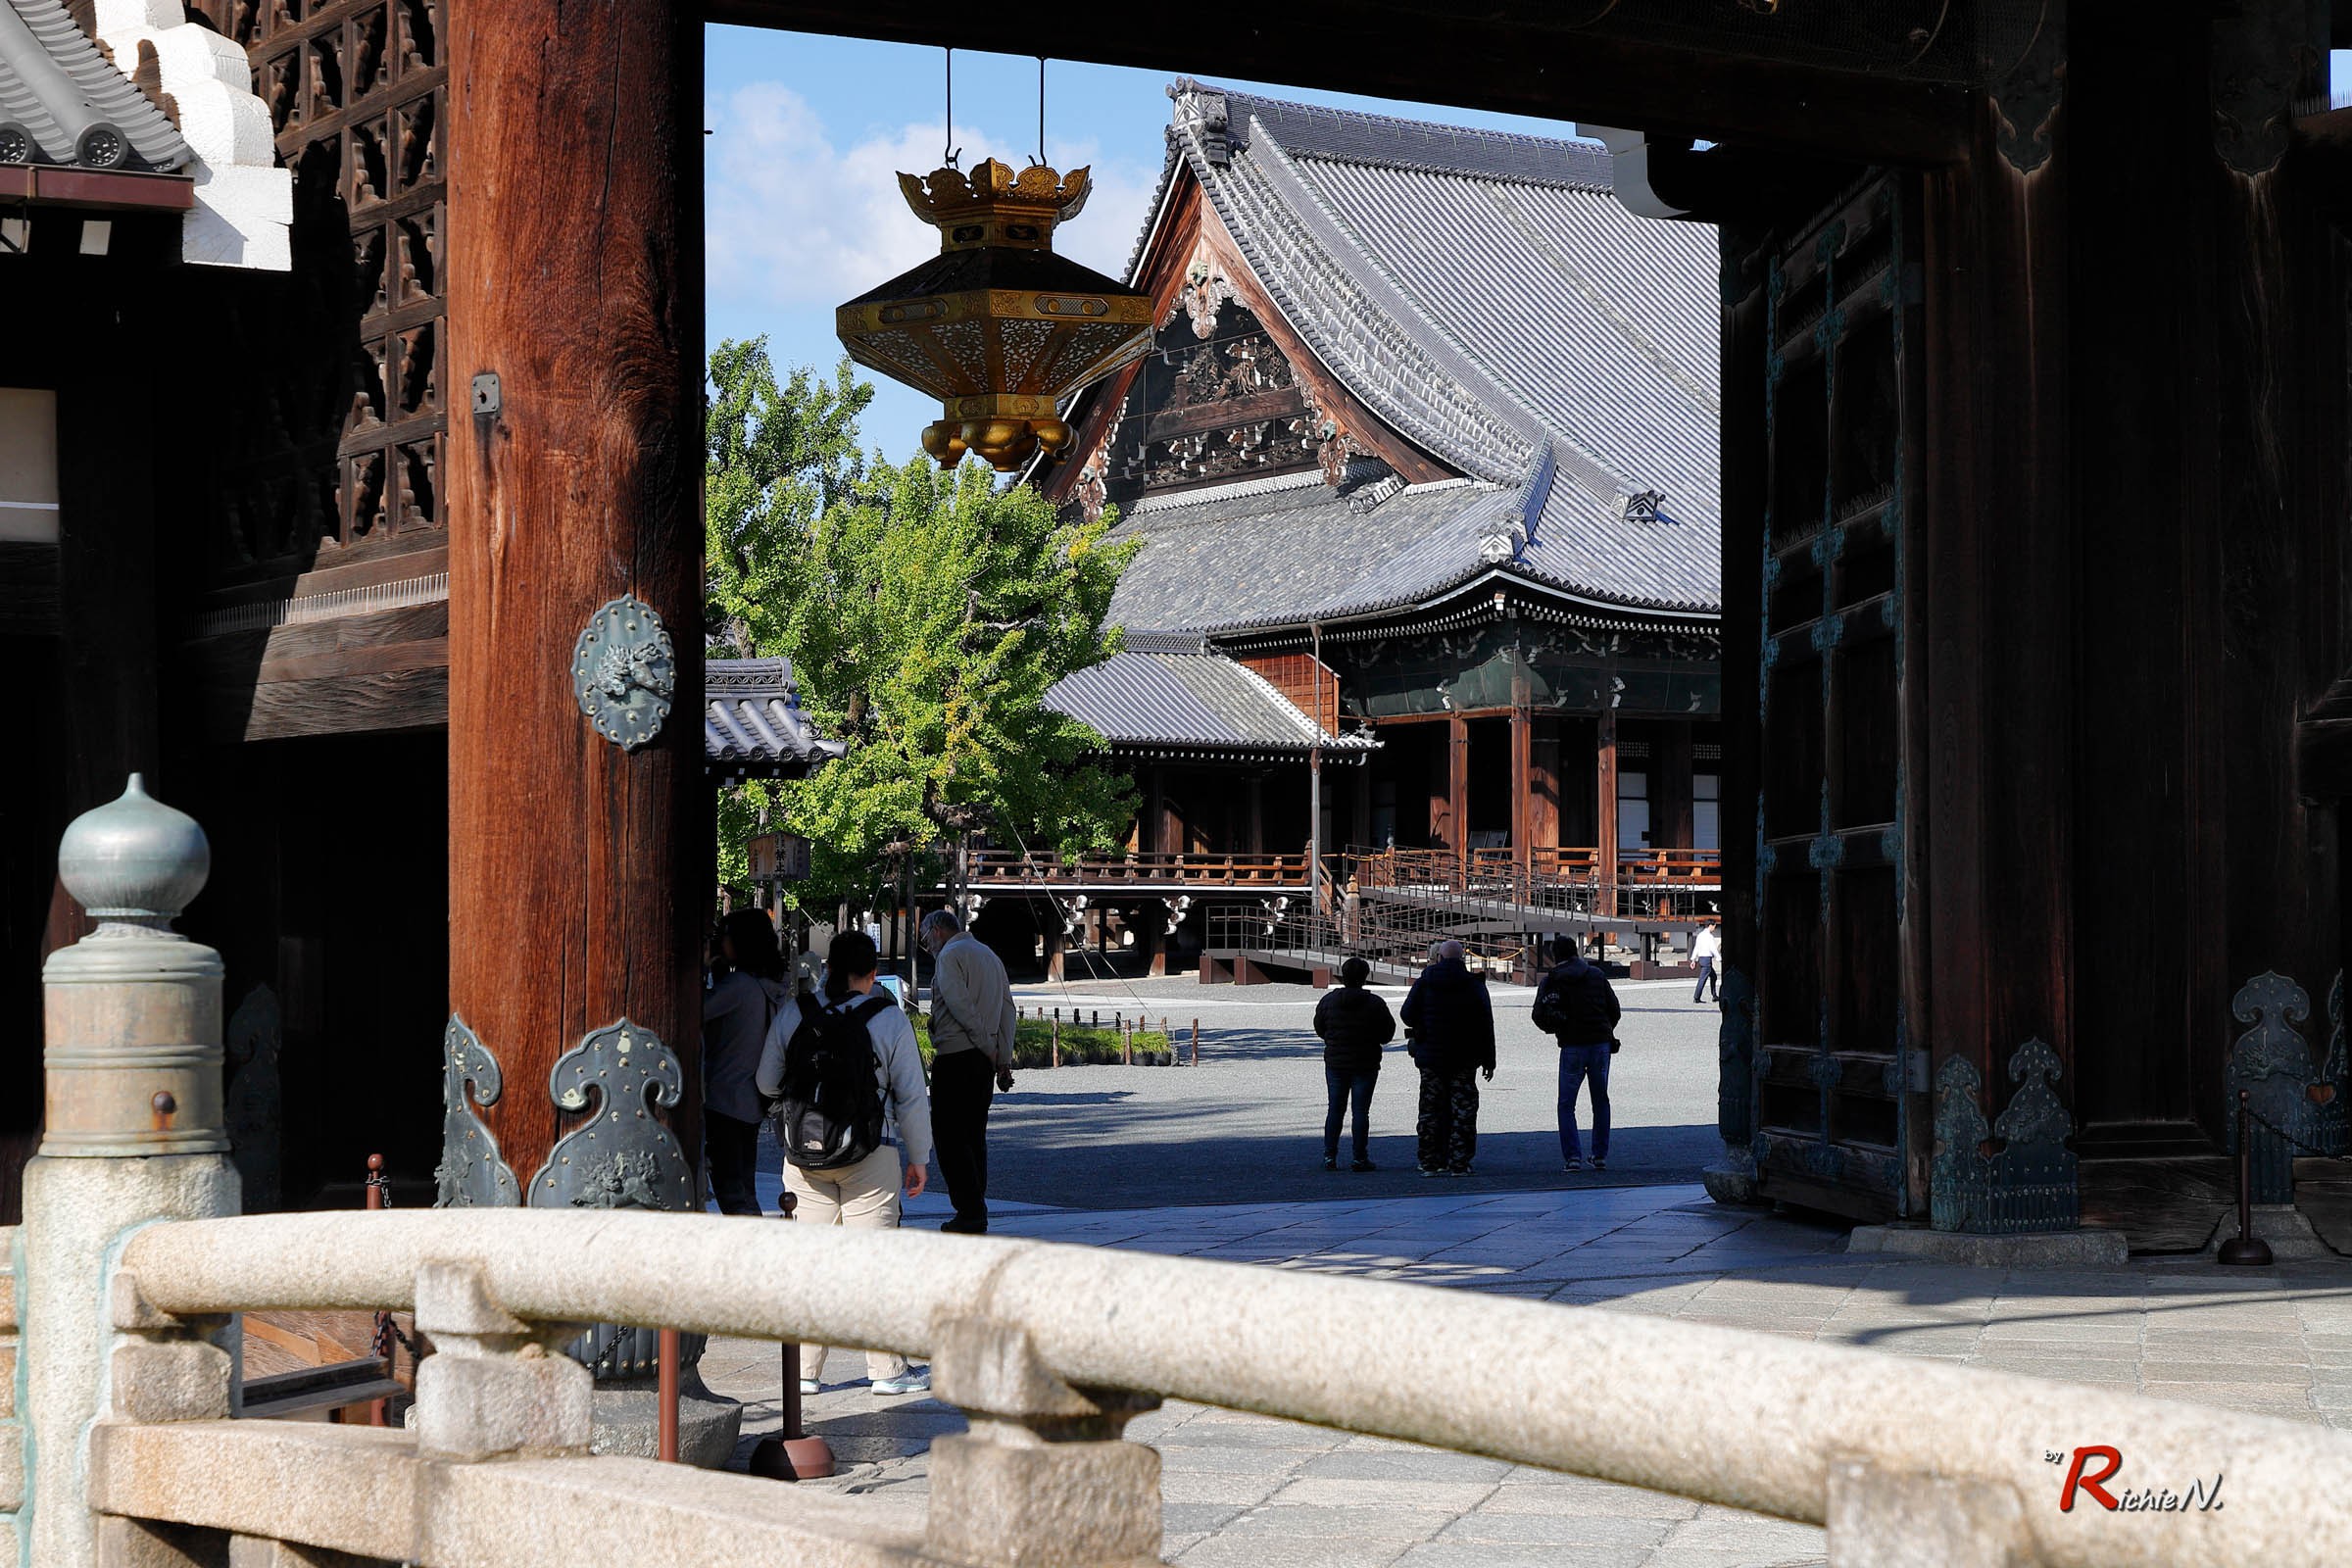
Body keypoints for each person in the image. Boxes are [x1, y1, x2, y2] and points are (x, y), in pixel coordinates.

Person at [757, 930, 934, 1396]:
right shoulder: (888, 1018)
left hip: (804, 1157)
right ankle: (888, 1372)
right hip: (870, 1154)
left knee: (812, 1263)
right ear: (873, 974)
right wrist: (919, 1157)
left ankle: (804, 1372)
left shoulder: (796, 1012)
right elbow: (912, 1096)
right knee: (873, 1264)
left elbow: (766, 1079)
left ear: (828, 967)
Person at [920, 908, 1016, 1235]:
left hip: (958, 1054)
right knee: (974, 1135)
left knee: (949, 1137)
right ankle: (975, 1204)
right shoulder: (989, 955)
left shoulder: (949, 956)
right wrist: (1002, 1057)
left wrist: (986, 1047)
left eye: (925, 939)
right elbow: (1007, 1009)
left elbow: (960, 1006)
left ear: (936, 930)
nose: (926, 946)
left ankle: (970, 1210)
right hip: (983, 1063)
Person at [701, 909, 787, 1216]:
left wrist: (705, 966)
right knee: (743, 1188)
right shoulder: (771, 986)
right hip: (751, 1099)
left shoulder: (739, 986)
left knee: (732, 1193)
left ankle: (751, 1254)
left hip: (724, 1097)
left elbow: (695, 1011)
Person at [1397, 940, 1494, 1177]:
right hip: (1464, 1057)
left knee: (1430, 1110)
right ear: (1462, 959)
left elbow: (1407, 1015)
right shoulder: (1474, 984)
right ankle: (1459, 1162)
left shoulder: (1425, 982)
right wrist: (1489, 1060)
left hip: (1431, 1056)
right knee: (1463, 1110)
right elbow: (1485, 1025)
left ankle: (1430, 1161)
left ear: (1439, 958)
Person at [1534, 935, 1622, 1173]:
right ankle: (1600, 1154)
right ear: (1576, 951)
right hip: (1600, 1042)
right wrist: (1605, 1029)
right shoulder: (1596, 975)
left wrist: (1556, 1028)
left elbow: (1538, 1015)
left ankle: (1573, 1157)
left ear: (1555, 956)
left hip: (1572, 1043)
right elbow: (1614, 1009)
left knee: (1566, 1104)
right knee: (1600, 1100)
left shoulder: (1553, 979)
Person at [1313, 956, 1394, 1171]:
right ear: (1365, 977)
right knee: (1360, 1112)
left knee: (1335, 1109)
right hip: (1365, 1061)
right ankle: (1359, 1157)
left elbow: (1320, 1028)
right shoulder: (1375, 1003)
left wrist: (1334, 1039)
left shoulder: (1328, 1001)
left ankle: (1329, 1155)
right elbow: (1387, 1034)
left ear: (1343, 975)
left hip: (1336, 1060)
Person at [1691, 922, 1721, 1004]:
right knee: (1703, 979)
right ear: (1710, 926)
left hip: (1701, 959)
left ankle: (1714, 995)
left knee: (1713, 976)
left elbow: (1696, 948)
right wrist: (1719, 957)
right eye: (1714, 926)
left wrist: (1693, 959)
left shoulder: (1700, 935)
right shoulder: (1709, 937)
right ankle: (1696, 997)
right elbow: (1713, 948)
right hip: (1707, 959)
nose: (1714, 928)